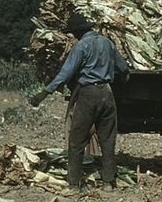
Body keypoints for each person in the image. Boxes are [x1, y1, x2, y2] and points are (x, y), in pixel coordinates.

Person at [29, 13, 128, 191]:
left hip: (88, 95)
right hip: (107, 93)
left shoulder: (81, 46)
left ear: (79, 32)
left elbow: (66, 73)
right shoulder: (107, 43)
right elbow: (123, 68)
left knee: (76, 140)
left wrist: (44, 93)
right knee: (107, 139)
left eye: (74, 33)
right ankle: (108, 183)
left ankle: (74, 183)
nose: (73, 36)